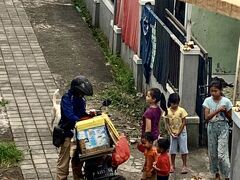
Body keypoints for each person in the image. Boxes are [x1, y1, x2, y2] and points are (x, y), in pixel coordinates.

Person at [56, 75, 93, 180]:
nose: (82, 95)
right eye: (81, 92)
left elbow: (81, 113)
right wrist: (80, 121)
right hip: (68, 133)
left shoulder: (81, 99)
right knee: (64, 161)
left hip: (80, 134)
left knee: (78, 160)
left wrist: (89, 116)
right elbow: (70, 116)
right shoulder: (67, 98)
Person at [202, 79, 232, 180]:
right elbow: (206, 117)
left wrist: (225, 112)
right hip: (211, 127)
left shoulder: (226, 101)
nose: (213, 93)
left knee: (222, 154)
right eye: (212, 91)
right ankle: (216, 173)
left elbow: (230, 118)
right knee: (213, 153)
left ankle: (227, 175)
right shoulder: (207, 101)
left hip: (223, 127)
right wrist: (217, 110)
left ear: (220, 90)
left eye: (216, 91)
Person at [164, 93, 188, 174]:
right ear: (170, 102)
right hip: (173, 133)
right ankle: (172, 165)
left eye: (177, 103)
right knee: (172, 150)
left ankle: (184, 165)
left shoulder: (181, 110)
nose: (175, 105)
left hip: (182, 132)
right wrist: (171, 133)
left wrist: (179, 132)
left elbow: (184, 122)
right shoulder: (167, 111)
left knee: (183, 149)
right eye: (174, 103)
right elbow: (167, 123)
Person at [138, 88, 168, 152]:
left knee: (149, 155)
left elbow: (148, 129)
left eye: (148, 96)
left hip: (149, 138)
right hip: (156, 136)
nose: (146, 97)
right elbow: (158, 124)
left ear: (154, 99)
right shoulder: (158, 109)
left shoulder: (148, 112)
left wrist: (144, 140)